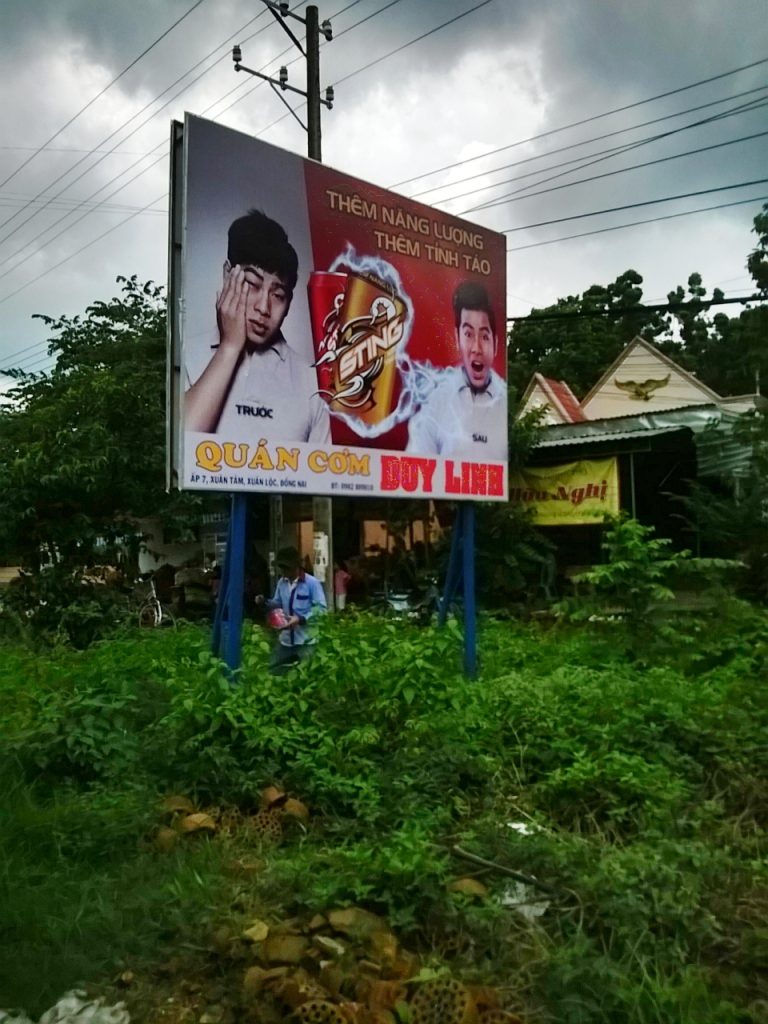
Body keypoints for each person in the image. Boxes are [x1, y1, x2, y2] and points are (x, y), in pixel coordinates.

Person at [184, 209, 330, 443]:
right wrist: (230, 347)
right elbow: (180, 446)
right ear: (227, 274)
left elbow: (325, 466)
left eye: (278, 295)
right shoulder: (185, 356)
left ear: (289, 302)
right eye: (252, 284)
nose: (263, 307)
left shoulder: (312, 382)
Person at [406, 281, 507, 461]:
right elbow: (416, 466)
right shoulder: (437, 402)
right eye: (468, 334)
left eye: (485, 336)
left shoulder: (505, 401)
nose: (476, 348)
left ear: (496, 343)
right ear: (457, 338)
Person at [262, 547, 326, 674]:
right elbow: (277, 603)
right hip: (286, 640)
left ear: (296, 567)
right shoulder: (281, 583)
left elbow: (321, 609)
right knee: (274, 672)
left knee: (306, 675)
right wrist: (264, 602)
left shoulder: (312, 583)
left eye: (286, 568)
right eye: (282, 568)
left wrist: (300, 619)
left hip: (306, 641)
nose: (283, 571)